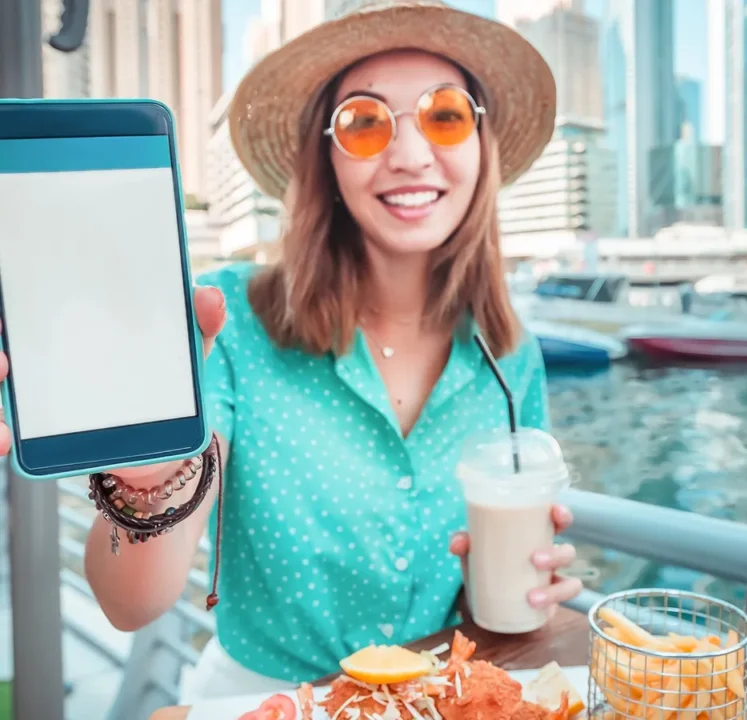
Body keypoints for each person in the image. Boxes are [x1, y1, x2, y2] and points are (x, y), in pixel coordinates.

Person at [0, 0, 584, 700]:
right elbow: (133, 602)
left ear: (482, 148)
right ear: (326, 159)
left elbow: (483, 606)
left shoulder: (510, 355)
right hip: (261, 701)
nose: (407, 154)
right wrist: (147, 480)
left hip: (438, 698)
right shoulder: (233, 322)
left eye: (445, 116)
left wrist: (516, 585)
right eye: (365, 123)